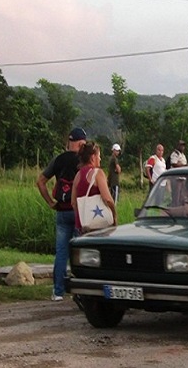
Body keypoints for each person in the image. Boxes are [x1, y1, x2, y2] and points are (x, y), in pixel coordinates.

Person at [36, 127, 86, 301]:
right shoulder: (83, 160)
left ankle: (57, 291)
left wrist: (51, 202)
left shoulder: (58, 159)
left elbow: (40, 181)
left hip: (62, 211)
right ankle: (79, 291)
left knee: (61, 252)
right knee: (79, 252)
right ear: (81, 143)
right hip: (79, 211)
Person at [71, 142, 117, 234]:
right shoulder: (98, 173)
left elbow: (73, 203)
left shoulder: (78, 175)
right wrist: (114, 215)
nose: (100, 159)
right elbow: (107, 199)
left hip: (83, 226)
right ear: (93, 157)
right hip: (99, 225)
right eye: (99, 156)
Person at [170, 140, 188, 206]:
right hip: (176, 178)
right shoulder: (175, 154)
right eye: (181, 145)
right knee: (176, 196)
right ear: (178, 146)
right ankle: (175, 208)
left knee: (182, 196)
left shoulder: (183, 155)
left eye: (183, 146)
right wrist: (183, 165)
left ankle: (180, 208)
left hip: (183, 178)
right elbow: (174, 164)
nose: (183, 147)